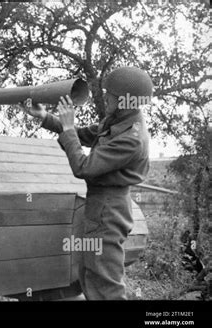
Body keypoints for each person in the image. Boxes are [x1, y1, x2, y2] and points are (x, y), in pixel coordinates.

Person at [22, 66, 153, 300]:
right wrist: (45, 117)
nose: (105, 98)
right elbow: (81, 135)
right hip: (99, 208)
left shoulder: (131, 139)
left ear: (124, 100)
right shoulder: (118, 121)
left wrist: (69, 127)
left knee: (106, 285)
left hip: (109, 212)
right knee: (89, 274)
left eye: (109, 95)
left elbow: (83, 167)